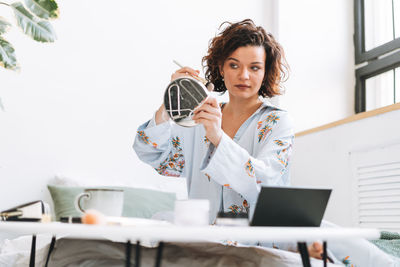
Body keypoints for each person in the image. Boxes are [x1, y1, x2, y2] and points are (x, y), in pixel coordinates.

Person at [133, 19, 324, 259]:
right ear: (221, 68)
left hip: (258, 239)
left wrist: (217, 136)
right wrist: (170, 100)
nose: (244, 75)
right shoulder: (199, 117)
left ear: (265, 73)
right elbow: (157, 158)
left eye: (255, 67)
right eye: (234, 65)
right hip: (204, 237)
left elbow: (266, 182)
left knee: (340, 243)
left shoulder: (277, 122)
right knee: (158, 230)